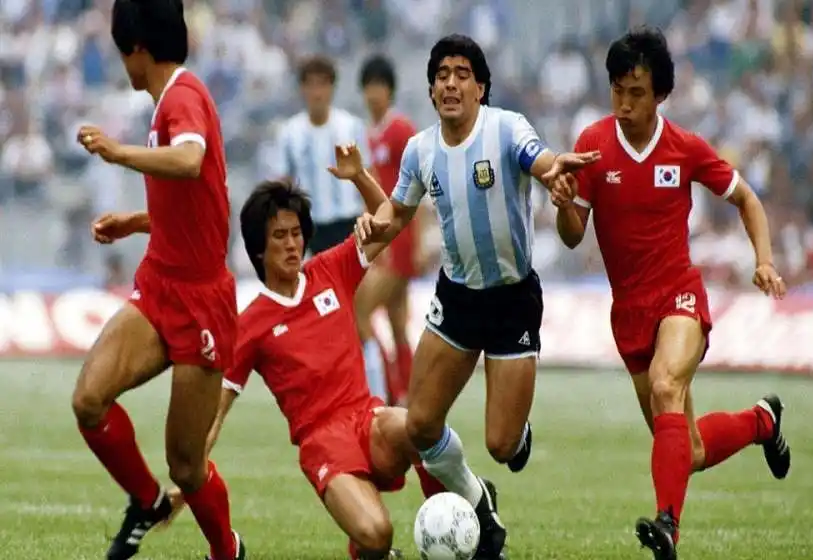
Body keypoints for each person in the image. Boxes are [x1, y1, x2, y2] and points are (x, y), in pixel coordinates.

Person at [169, 147, 499, 560]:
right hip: (323, 445)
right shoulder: (249, 323)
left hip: (368, 418)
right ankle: (369, 549)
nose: (292, 245)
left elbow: (392, 220)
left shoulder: (330, 269)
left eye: (295, 233)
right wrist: (191, 474)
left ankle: (463, 516)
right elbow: (216, 411)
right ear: (258, 250)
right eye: (278, 236)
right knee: (376, 534)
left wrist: (360, 175)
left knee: (422, 427)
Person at [544, 27, 791, 560]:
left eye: (636, 92)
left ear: (660, 94)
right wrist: (563, 201)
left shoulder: (685, 148)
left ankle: (667, 526)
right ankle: (761, 421)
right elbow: (571, 235)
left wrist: (764, 260)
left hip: (678, 295)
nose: (625, 103)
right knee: (690, 449)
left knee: (664, 387)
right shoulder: (591, 145)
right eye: (617, 91)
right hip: (627, 313)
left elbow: (747, 199)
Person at [353, 34, 599, 558]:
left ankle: (517, 436)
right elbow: (396, 211)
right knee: (420, 424)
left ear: (481, 87)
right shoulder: (421, 150)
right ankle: (477, 502)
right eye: (441, 74)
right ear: (431, 88)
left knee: (502, 445)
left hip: (512, 300)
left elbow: (541, 160)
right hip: (457, 299)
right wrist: (374, 228)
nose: (450, 83)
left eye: (462, 73)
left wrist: (556, 173)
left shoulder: (506, 128)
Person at [70, 1, 244, 559]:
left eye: (121, 51)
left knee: (187, 465)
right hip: (159, 285)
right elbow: (206, 198)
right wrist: (139, 222)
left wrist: (119, 153)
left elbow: (191, 160)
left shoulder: (183, 97)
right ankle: (145, 502)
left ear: (136, 51)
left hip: (201, 304)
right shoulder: (168, 101)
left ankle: (227, 551)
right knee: (89, 400)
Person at [263, 54, 388, 404]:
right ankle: (323, 392)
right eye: (310, 84)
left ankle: (377, 397)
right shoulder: (289, 133)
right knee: (313, 316)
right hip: (309, 231)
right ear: (303, 89)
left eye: (323, 84)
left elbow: (369, 179)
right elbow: (282, 186)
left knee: (358, 315)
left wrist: (378, 230)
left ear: (332, 88)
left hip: (348, 228)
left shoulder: (350, 127)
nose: (317, 92)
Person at [357, 54, 420, 405]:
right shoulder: (368, 134)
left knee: (360, 312)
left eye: (378, 86)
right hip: (381, 238)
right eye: (368, 86)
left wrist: (421, 241)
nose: (372, 94)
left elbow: (419, 186)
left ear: (390, 90)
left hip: (399, 239)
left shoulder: (401, 130)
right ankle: (408, 396)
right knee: (397, 323)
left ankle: (386, 394)